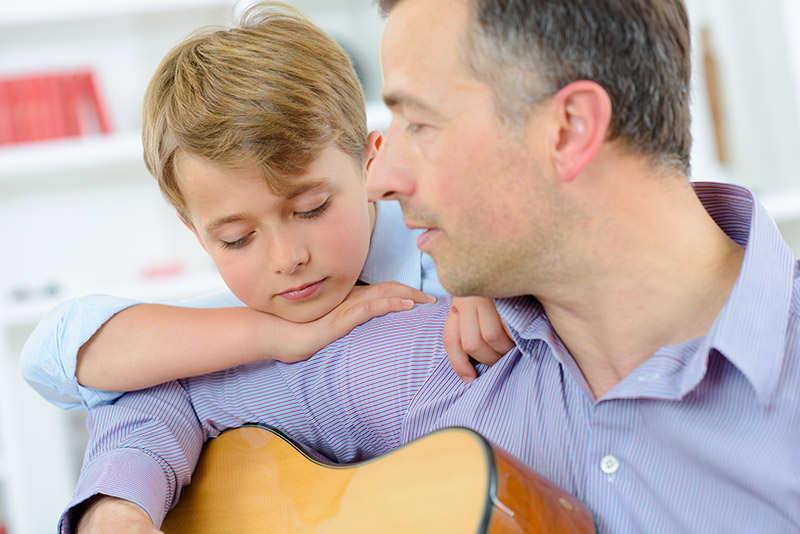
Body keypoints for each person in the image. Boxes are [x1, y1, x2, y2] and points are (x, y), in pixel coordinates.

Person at [26, 0, 800, 532]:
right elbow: (170, 395)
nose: (383, 174)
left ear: (569, 130)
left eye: (416, 121)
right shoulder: (408, 348)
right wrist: (117, 507)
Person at [20, 1, 513, 413]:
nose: (286, 259)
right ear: (196, 235)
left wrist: (485, 268)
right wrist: (271, 336)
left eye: (311, 208)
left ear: (370, 162)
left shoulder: (455, 259)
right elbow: (52, 356)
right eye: (237, 239)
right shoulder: (248, 315)